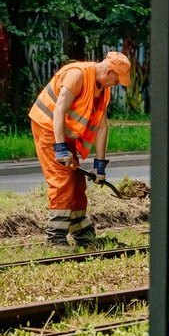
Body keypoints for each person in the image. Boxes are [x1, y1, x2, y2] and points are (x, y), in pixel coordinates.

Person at [28, 50, 131, 247]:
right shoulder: (77, 75)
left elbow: (102, 126)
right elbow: (58, 111)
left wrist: (100, 166)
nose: (118, 84)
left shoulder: (102, 89)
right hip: (47, 125)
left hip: (63, 132)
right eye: (118, 79)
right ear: (109, 72)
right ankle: (55, 237)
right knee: (62, 179)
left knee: (77, 181)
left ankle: (83, 235)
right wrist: (60, 148)